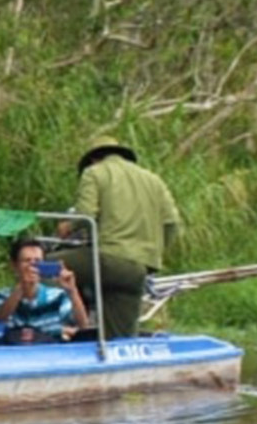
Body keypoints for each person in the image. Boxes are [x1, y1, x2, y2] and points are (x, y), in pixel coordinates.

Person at [59, 135, 179, 340]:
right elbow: (172, 224)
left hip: (109, 258)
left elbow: (85, 215)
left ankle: (49, 329)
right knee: (121, 335)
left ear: (94, 158)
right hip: (140, 267)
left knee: (38, 266)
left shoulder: (94, 172)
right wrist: (153, 255)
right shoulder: (153, 179)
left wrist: (66, 226)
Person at [0, 236, 90, 343]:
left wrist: (72, 290)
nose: (33, 266)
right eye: (27, 261)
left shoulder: (57, 295)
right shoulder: (3, 295)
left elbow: (83, 324)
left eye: (37, 261)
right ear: (15, 266)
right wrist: (21, 287)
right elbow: (1, 318)